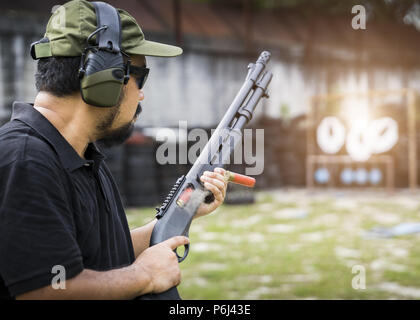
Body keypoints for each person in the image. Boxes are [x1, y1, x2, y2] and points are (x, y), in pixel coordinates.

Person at [0, 0, 227, 300]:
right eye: (140, 77)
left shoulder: (80, 154)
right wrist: (143, 276)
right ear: (103, 76)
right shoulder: (27, 160)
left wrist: (184, 210)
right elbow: (46, 289)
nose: (142, 92)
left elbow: (102, 256)